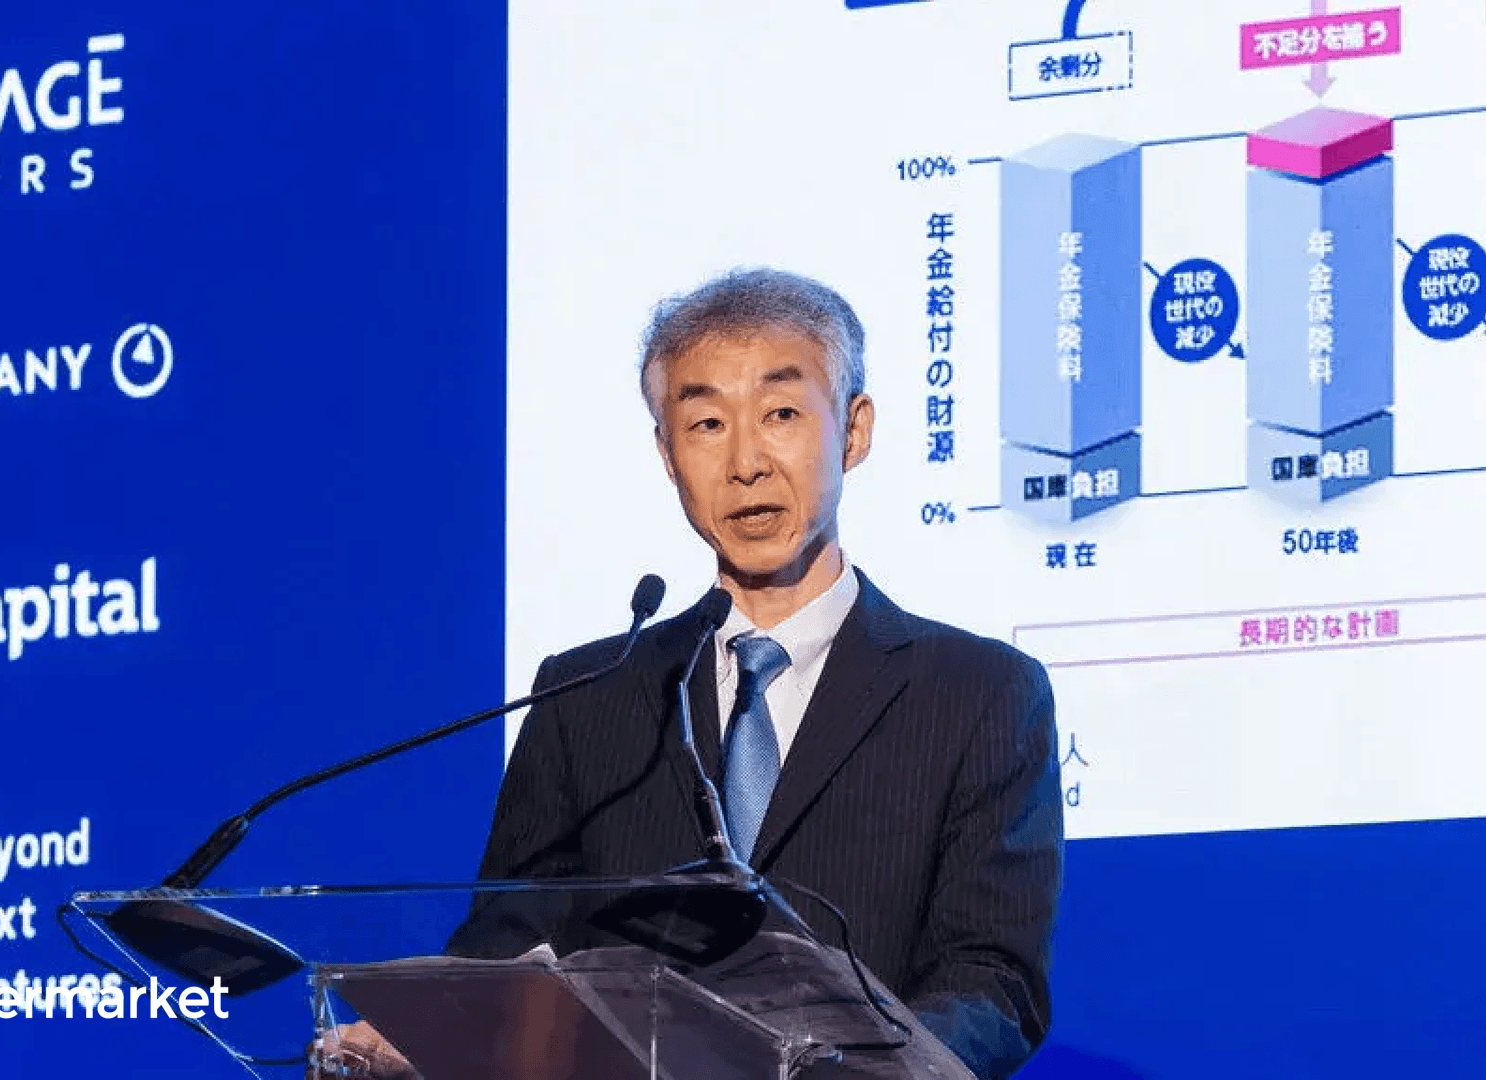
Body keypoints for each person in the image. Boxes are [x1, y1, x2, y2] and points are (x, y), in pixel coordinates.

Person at [323, 268, 1063, 1079]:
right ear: (668, 456)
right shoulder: (585, 698)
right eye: (707, 423)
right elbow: (503, 951)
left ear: (854, 431)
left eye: (781, 413)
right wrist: (427, 1038)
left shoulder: (981, 693)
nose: (745, 463)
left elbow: (991, 984)